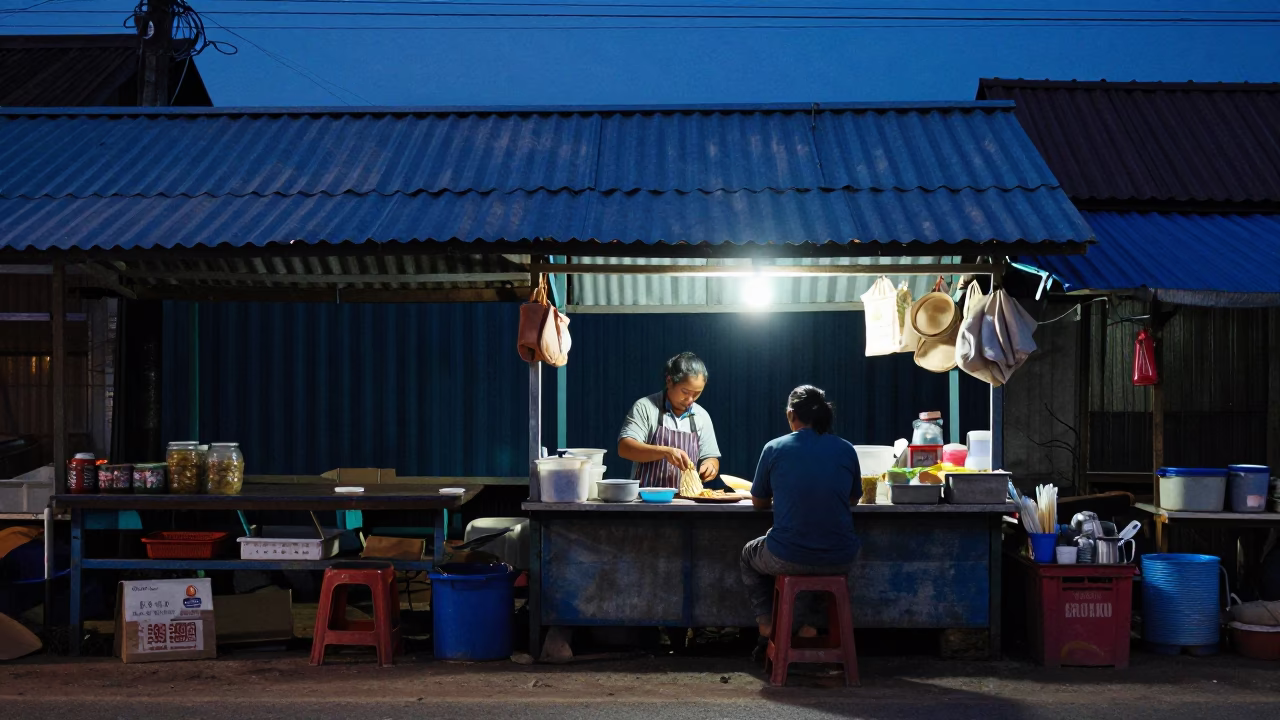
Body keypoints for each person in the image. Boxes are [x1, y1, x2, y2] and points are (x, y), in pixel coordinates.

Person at [741, 385, 861, 641]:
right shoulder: (846, 449)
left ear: (790, 414)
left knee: (749, 554)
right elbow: (853, 498)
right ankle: (809, 626)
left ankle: (766, 623)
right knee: (817, 564)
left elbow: (759, 502)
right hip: (842, 556)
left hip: (787, 555)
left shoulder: (774, 448)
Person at [617, 352, 721, 489]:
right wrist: (665, 452)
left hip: (686, 501)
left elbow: (711, 457)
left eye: (697, 393)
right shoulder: (645, 407)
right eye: (685, 392)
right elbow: (625, 448)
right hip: (646, 502)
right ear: (669, 381)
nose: (691, 400)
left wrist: (710, 466)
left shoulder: (702, 416)